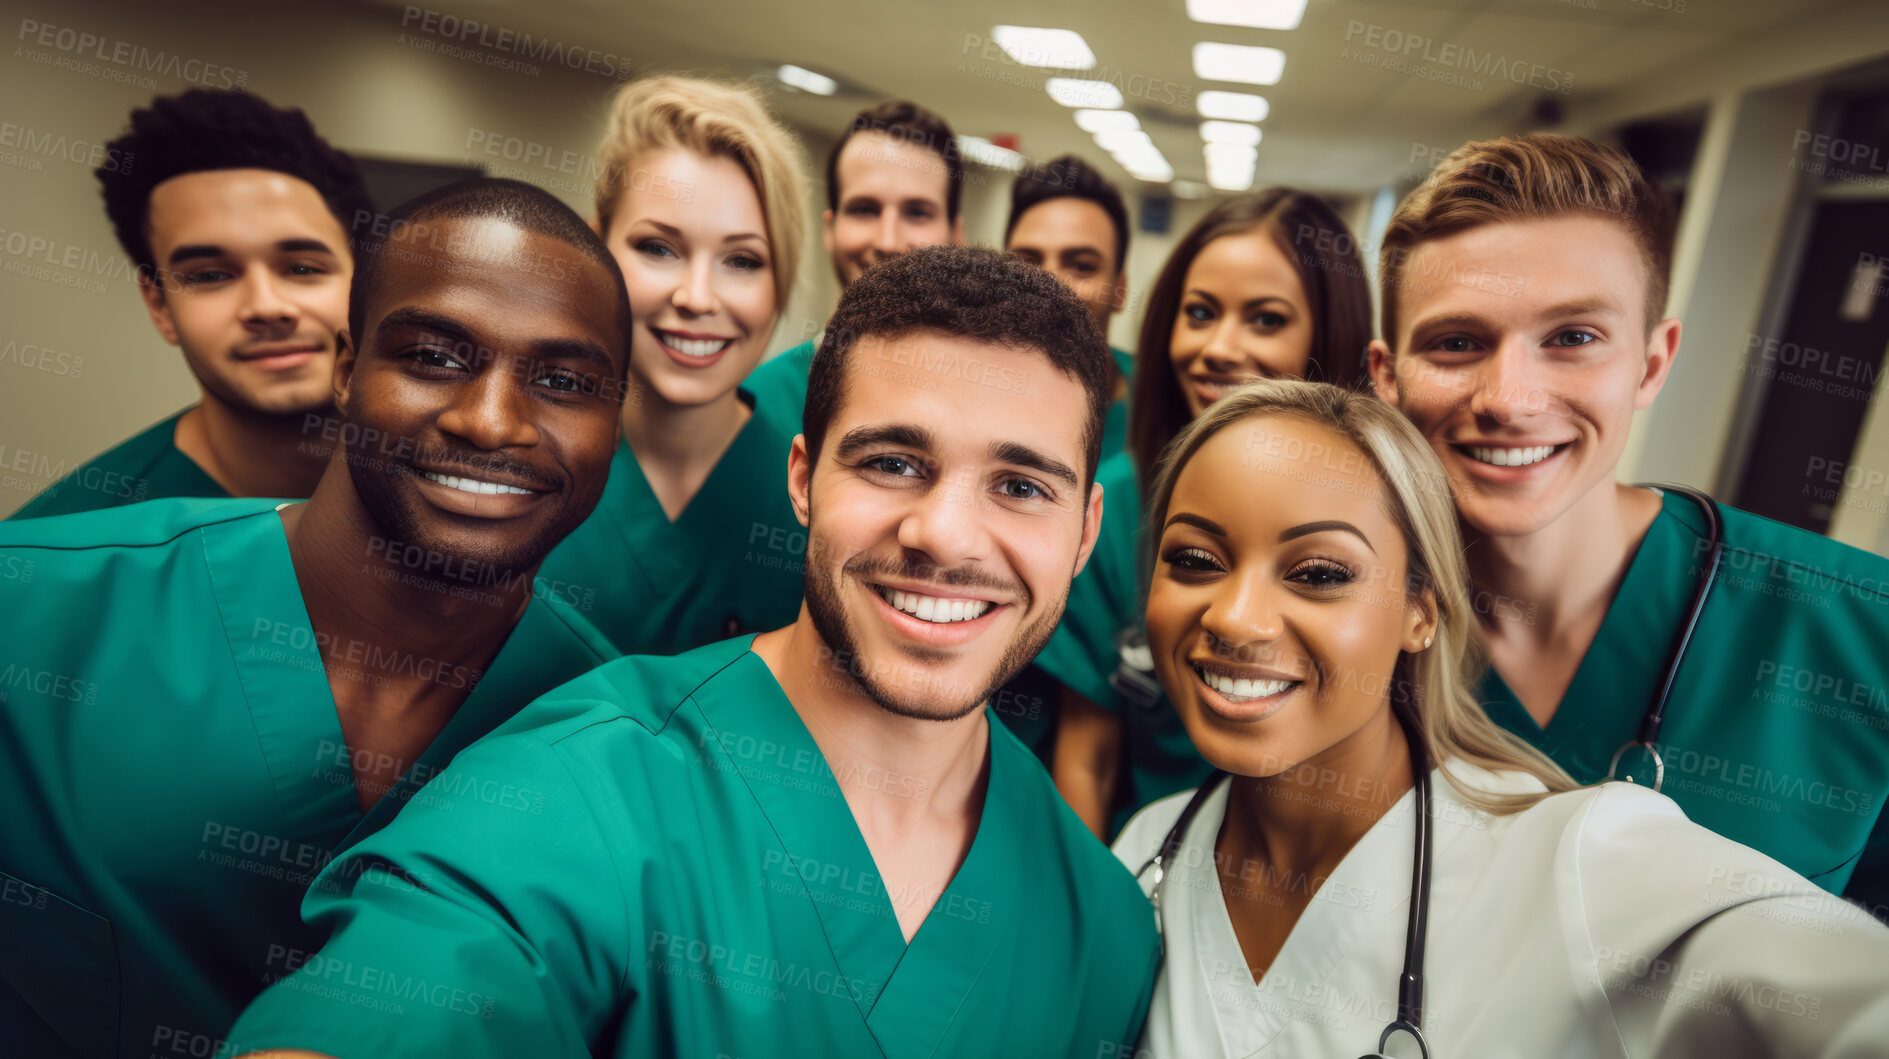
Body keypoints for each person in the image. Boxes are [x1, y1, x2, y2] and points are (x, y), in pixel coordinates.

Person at [226, 247, 1157, 1059]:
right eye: (891, 463)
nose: (944, 534)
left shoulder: (1105, 922)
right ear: (803, 479)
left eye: (1020, 486)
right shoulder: (584, 788)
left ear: (1086, 531)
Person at [0, 178, 630, 1058]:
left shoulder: (609, 738)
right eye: (433, 358)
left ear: (616, 417)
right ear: (345, 369)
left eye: (563, 381)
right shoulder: (33, 608)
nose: (491, 423)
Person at [1114, 379, 1889, 1057]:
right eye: (1194, 559)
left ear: (1421, 611)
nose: (1235, 617)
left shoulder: (1579, 859)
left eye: (1317, 572)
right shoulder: (1146, 850)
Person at [1366, 133, 1889, 918]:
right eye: (1456, 343)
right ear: (1386, 377)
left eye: (1572, 338)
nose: (1508, 399)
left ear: (1650, 363)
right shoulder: (1333, 613)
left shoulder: (1863, 632)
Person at [1039, 190, 1373, 837]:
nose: (1218, 347)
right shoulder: (1119, 504)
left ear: (1329, 333)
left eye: (1265, 320)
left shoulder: (1382, 507)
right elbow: (1089, 758)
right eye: (1199, 313)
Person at [532, 75, 809, 652]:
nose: (697, 297)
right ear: (595, 251)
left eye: (742, 260)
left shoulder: (821, 494)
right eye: (658, 249)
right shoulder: (522, 461)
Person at [9, 88, 372, 520]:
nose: (266, 306)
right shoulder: (70, 541)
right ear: (160, 307)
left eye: (302, 268)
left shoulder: (438, 485)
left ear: (367, 280)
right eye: (209, 276)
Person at [740, 99, 964, 430]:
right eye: (864, 209)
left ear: (956, 235)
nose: (888, 241)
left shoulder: (991, 400)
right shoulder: (758, 406)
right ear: (829, 230)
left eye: (917, 212)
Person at [1006, 152, 1136, 461]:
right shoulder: (962, 385)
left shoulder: (1162, 405)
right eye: (1027, 262)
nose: (1049, 283)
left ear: (1119, 291)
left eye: (1081, 266)